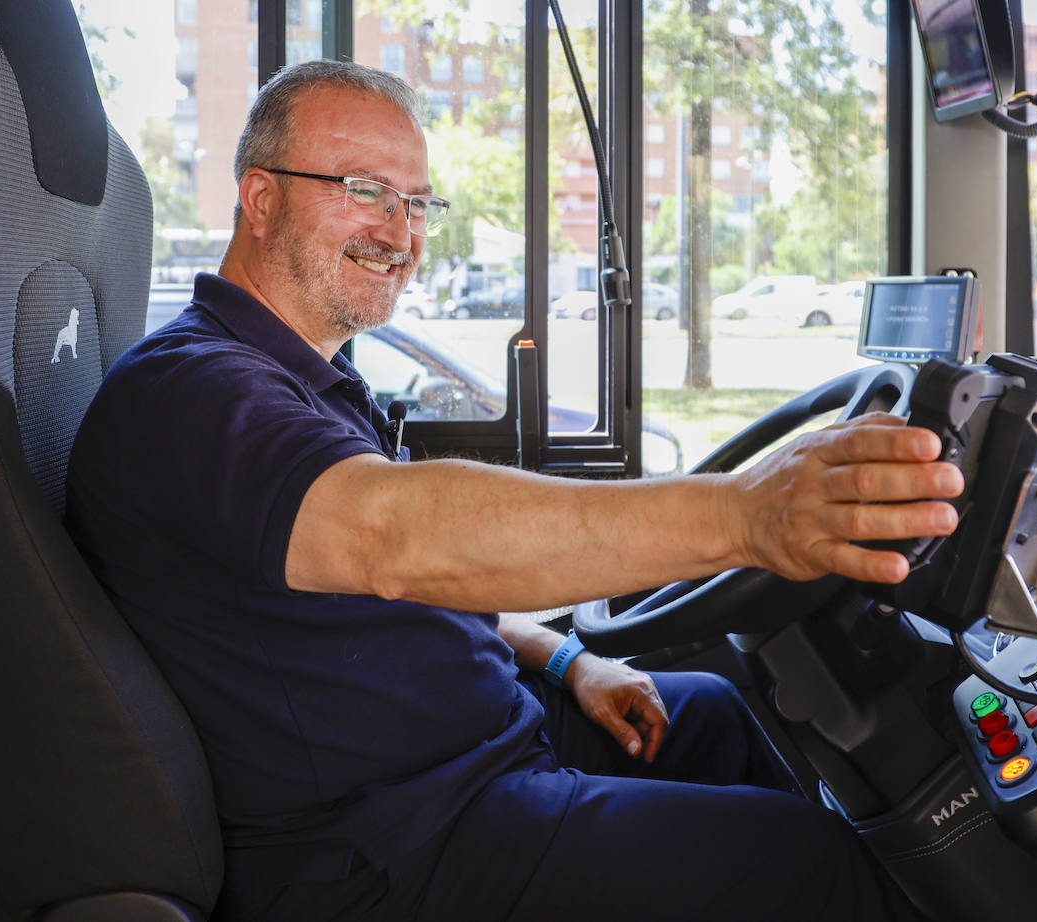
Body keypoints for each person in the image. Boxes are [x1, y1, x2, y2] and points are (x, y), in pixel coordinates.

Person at [65, 60, 962, 922]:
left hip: (481, 745)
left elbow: (411, 587)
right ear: (261, 199)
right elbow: (393, 540)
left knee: (717, 714)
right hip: (390, 846)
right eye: (364, 189)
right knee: (811, 866)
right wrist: (744, 514)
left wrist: (569, 659)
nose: (400, 232)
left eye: (416, 202)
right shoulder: (193, 392)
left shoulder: (302, 378)